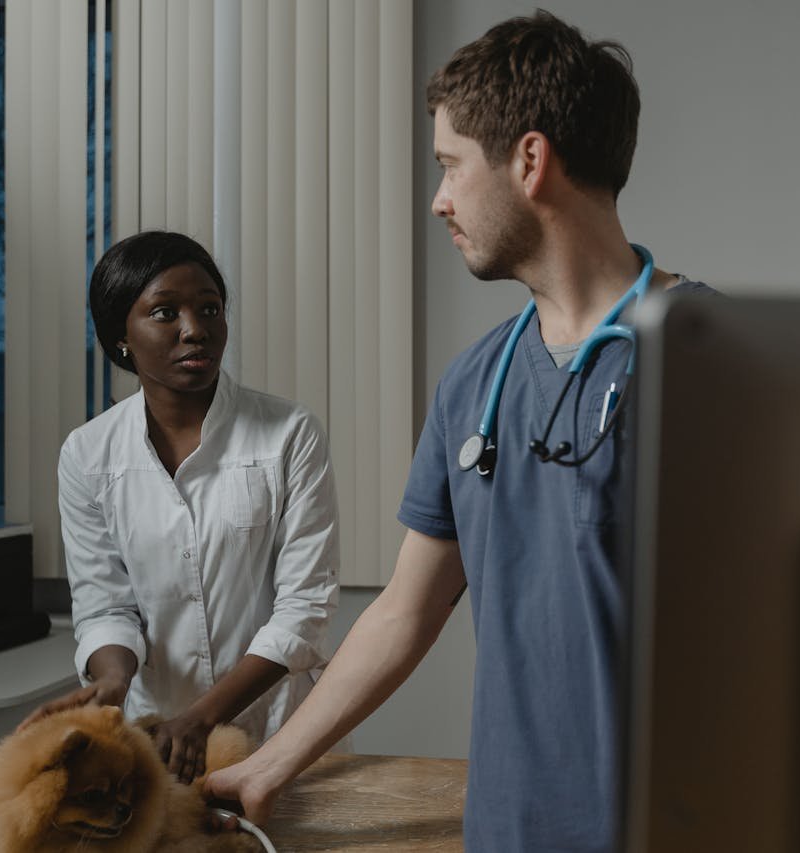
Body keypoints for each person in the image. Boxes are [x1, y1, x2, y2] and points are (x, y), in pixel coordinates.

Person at [205, 11, 713, 850]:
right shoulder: (474, 385)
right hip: (506, 830)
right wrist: (268, 765)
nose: (439, 198)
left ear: (530, 160)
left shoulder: (710, 362)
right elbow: (405, 613)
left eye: (449, 165)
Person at [29, 230, 341, 785]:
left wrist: (202, 718)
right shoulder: (88, 454)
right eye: (165, 312)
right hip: (154, 742)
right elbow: (105, 607)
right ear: (120, 336)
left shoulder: (289, 433)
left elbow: (304, 608)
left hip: (278, 732)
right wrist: (111, 684)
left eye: (209, 309)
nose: (195, 329)